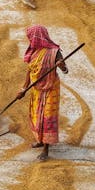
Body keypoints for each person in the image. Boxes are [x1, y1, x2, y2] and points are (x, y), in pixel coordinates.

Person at [16, 25, 67, 161]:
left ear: (37, 37)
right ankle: (40, 140)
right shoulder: (33, 52)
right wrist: (23, 89)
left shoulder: (54, 52)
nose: (30, 40)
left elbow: (65, 69)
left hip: (50, 89)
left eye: (31, 37)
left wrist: (61, 65)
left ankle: (46, 149)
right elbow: (30, 71)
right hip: (36, 90)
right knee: (36, 115)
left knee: (46, 117)